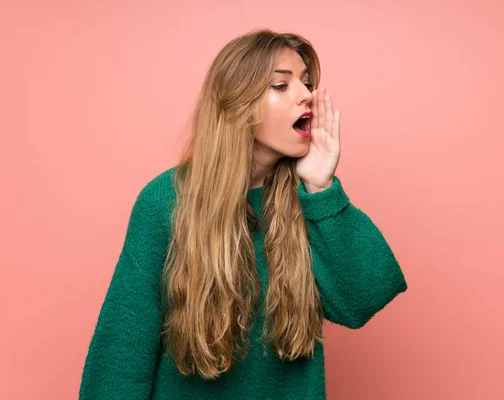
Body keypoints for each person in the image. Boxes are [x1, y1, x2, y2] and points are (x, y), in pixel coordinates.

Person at [79, 28, 408, 400]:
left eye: (307, 82)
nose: (307, 95)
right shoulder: (164, 202)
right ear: (237, 103)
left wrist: (321, 187)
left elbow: (363, 299)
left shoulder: (311, 198)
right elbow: (121, 354)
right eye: (281, 86)